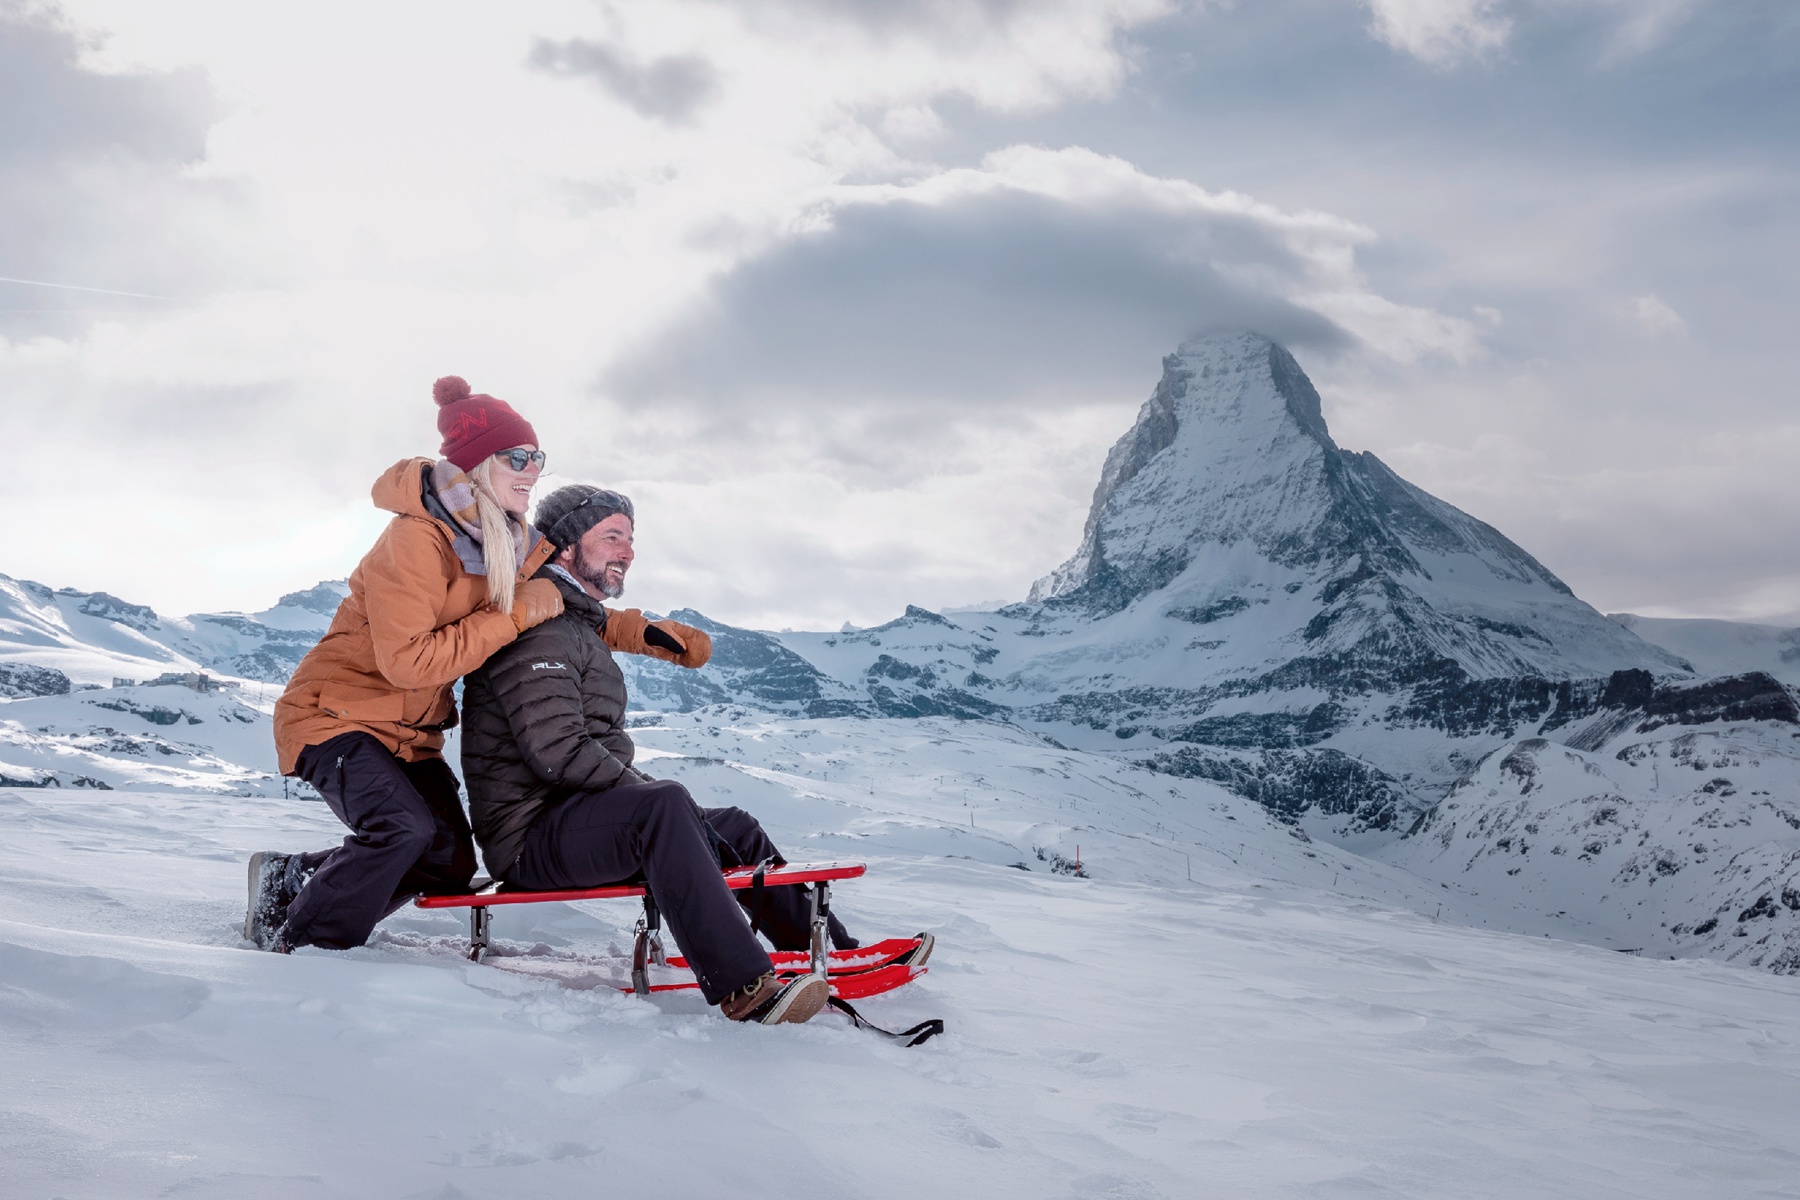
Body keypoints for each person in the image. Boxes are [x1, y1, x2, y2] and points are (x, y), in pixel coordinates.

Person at [458, 484, 875, 1024]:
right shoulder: (537, 629)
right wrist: (654, 802)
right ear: (563, 549)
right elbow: (557, 752)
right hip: (528, 838)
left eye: (630, 539)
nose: (627, 551)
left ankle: (837, 957)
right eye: (611, 536)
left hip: (569, 818)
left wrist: (677, 814)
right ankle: (743, 986)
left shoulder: (576, 625)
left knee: (736, 827)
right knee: (666, 807)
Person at [245, 375, 565, 953]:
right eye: (517, 456)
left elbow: (565, 598)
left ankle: (291, 878)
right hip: (334, 717)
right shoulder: (417, 538)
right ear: (474, 465)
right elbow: (408, 662)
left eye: (537, 456)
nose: (533, 469)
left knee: (445, 862)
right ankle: (302, 956)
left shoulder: (504, 543)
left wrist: (642, 630)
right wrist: (515, 616)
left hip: (408, 735)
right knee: (401, 831)